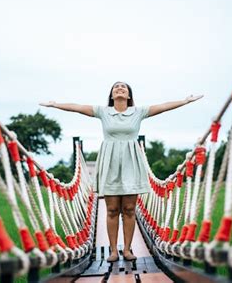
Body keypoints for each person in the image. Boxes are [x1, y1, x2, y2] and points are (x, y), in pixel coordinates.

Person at [40, 81, 202, 262]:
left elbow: (163, 107)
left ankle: (127, 250)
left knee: (129, 208)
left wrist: (185, 101)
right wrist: (55, 104)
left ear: (129, 95)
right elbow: (77, 107)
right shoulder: (103, 112)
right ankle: (113, 251)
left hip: (131, 163)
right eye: (116, 87)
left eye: (123, 87)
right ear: (111, 95)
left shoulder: (138, 112)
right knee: (112, 209)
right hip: (110, 163)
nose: (119, 88)